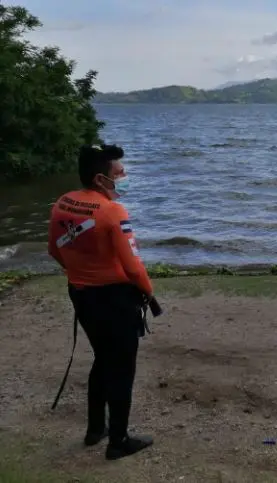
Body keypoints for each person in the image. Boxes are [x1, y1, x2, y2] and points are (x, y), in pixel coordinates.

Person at [47, 144, 154, 460]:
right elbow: (133, 266)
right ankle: (118, 441)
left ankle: (96, 429)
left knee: (103, 358)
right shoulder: (112, 212)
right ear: (99, 178)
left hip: (81, 294)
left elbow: (54, 250)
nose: (121, 177)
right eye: (117, 173)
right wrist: (148, 292)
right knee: (121, 369)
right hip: (114, 300)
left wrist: (81, 274)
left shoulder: (62, 203)